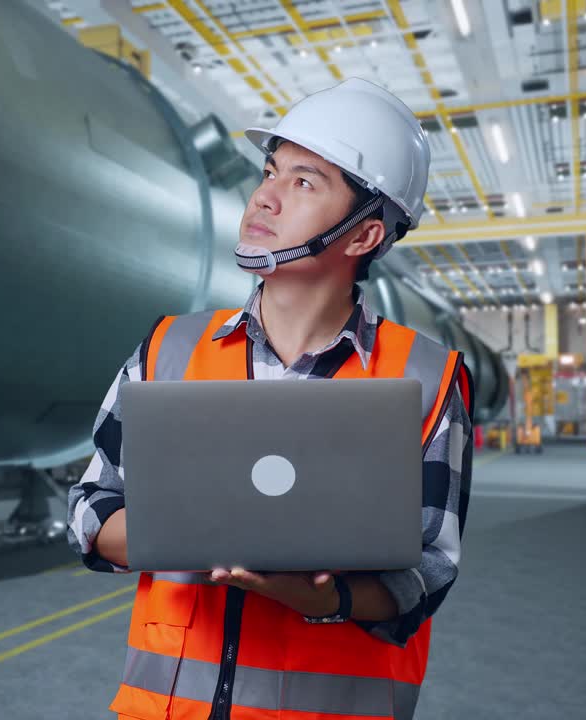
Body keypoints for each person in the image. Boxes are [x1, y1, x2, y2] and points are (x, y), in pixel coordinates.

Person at [67, 77, 474, 720]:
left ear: (364, 236)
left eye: (304, 182)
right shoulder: (168, 349)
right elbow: (92, 508)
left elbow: (428, 570)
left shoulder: (426, 379)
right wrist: (191, 534)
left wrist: (324, 600)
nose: (265, 196)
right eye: (270, 171)